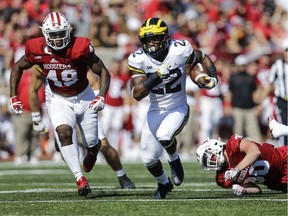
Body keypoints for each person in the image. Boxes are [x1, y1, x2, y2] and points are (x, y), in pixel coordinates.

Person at [9, 12, 111, 197]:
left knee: (92, 144)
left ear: (68, 31)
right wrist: (13, 95)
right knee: (64, 133)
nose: (57, 39)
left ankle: (92, 153)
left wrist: (102, 95)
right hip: (59, 99)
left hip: (84, 96)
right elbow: (17, 67)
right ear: (45, 34)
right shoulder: (36, 47)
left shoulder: (80, 47)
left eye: (61, 33)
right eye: (53, 34)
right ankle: (79, 178)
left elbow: (103, 71)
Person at [128, 17, 218, 199]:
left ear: (165, 38)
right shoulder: (138, 59)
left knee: (164, 135)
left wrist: (210, 76)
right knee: (148, 158)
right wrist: (155, 76)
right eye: (147, 39)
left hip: (178, 107)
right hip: (155, 109)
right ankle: (163, 184)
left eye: (155, 39)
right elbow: (137, 94)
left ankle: (174, 159)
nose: (151, 44)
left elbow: (200, 57)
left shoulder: (179, 49)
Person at [196, 116, 287, 196]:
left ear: (214, 146)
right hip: (279, 182)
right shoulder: (222, 179)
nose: (210, 161)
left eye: (208, 157)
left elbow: (255, 152)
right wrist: (244, 190)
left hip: (283, 158)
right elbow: (257, 189)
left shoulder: (232, 144)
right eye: (205, 162)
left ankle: (280, 130)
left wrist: (236, 169)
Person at [257, 40, 288, 146]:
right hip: (282, 101)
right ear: (284, 52)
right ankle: (284, 151)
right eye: (287, 50)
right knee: (282, 125)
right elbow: (269, 85)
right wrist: (260, 102)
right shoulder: (277, 65)